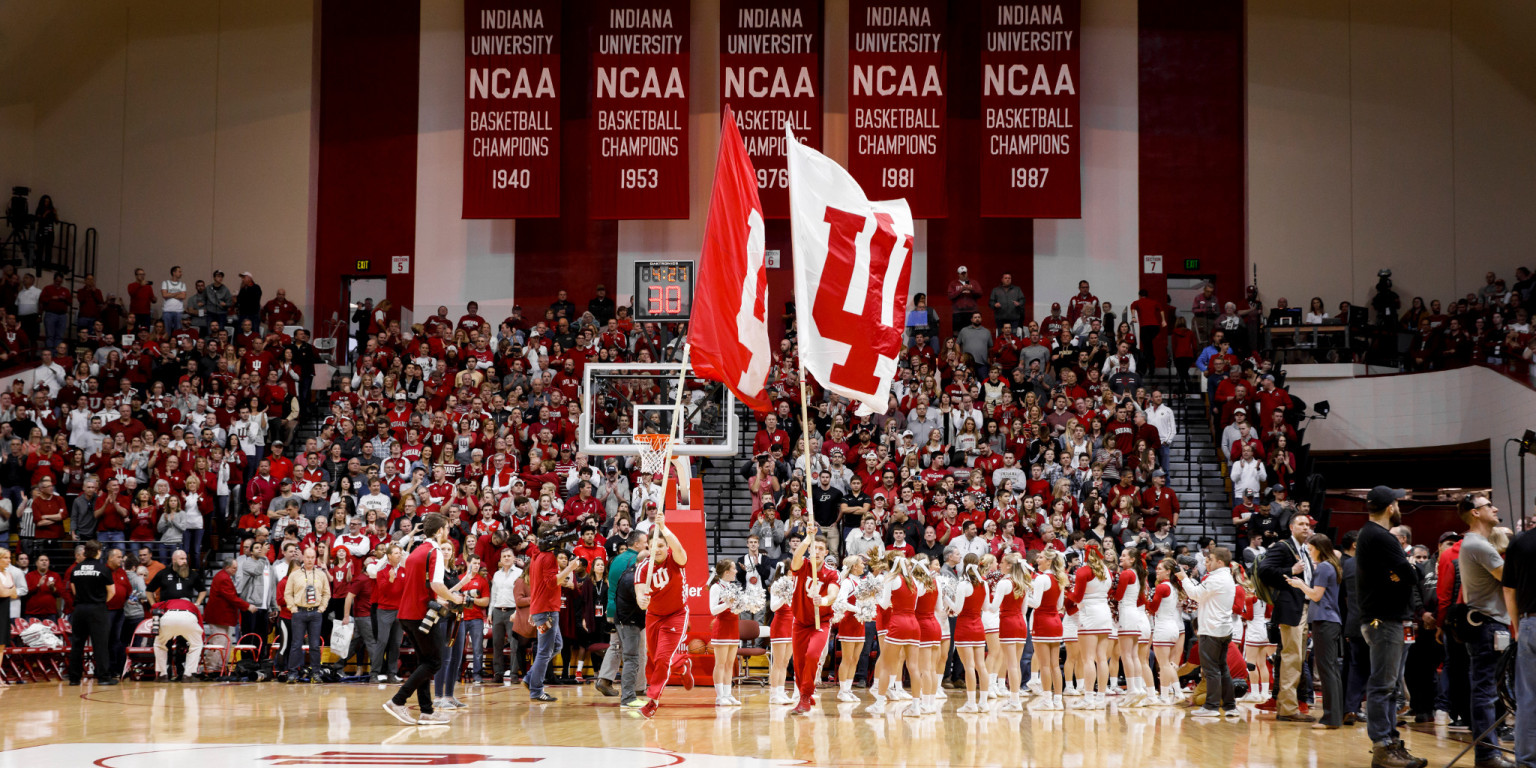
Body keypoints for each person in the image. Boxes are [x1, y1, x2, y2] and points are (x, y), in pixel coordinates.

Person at [1356, 486, 1428, 768]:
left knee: (1391, 686)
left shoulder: (1372, 535)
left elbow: (1406, 574)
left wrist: (1404, 571)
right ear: (1390, 507)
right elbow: (1412, 575)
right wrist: (1406, 569)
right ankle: (1383, 747)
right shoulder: (1379, 535)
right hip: (1382, 619)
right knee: (1383, 685)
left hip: (1387, 619)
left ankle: (1392, 744)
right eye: (1397, 502)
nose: (1399, 507)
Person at [383, 513, 462, 726]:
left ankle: (426, 711)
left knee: (424, 662)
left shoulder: (418, 550)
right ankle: (398, 701)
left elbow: (423, 586)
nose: (447, 532)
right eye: (446, 529)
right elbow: (436, 585)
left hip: (406, 613)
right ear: (439, 531)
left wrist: (441, 599)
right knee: (435, 662)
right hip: (420, 614)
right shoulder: (434, 552)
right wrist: (454, 598)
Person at [1453, 494, 1514, 768]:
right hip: (1488, 627)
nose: (1495, 507)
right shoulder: (1478, 545)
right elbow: (1510, 578)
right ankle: (1488, 755)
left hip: (1488, 625)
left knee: (1488, 691)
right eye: (1489, 505)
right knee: (1486, 693)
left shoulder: (1477, 544)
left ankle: (1489, 753)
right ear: (1475, 513)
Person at [1259, 512, 1315, 722]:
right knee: (1292, 658)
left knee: (1297, 659)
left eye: (1307, 524)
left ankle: (1287, 706)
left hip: (1303, 608)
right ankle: (1288, 709)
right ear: (1291, 527)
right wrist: (1290, 570)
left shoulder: (1304, 550)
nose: (1305, 527)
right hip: (1291, 608)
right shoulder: (1283, 547)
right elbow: (1264, 570)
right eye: (1301, 523)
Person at [637, 510, 691, 718]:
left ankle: (653, 701)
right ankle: (683, 665)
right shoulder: (643, 567)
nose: (657, 549)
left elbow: (680, 549)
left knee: (661, 658)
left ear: (666, 546)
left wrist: (665, 528)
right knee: (656, 658)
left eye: (661, 545)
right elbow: (640, 594)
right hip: (654, 616)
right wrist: (641, 600)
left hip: (676, 614)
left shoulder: (675, 558)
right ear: (647, 547)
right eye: (653, 545)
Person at [1287, 533, 1344, 730]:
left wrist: (1299, 584)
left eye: (1311, 549)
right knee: (1331, 670)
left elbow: (1316, 596)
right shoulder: (1331, 566)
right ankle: (1334, 716)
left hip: (1325, 620)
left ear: (1319, 548)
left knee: (1327, 670)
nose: (1309, 552)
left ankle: (1331, 718)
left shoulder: (1324, 568)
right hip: (1329, 620)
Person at [1175, 546, 1237, 717]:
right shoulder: (1226, 576)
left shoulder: (1217, 578)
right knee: (1222, 669)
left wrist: (1183, 577)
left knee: (1211, 671)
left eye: (1209, 561)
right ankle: (1230, 706)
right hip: (1223, 629)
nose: (1206, 563)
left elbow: (1195, 594)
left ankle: (1211, 707)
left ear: (1219, 561)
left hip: (1212, 630)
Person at [526, 530, 580, 703]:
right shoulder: (548, 557)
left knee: (557, 644)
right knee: (545, 651)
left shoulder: (536, 552)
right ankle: (536, 690)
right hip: (547, 610)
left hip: (543, 608)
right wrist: (570, 568)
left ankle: (530, 677)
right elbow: (551, 583)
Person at [1502, 504, 1536, 768]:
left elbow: (1509, 592)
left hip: (1529, 624)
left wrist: (1517, 627)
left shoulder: (1519, 543)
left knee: (1528, 699)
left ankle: (1525, 762)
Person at [67, 540, 117, 685]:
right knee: (100, 644)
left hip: (80, 609)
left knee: (77, 643)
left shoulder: (76, 569)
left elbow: (74, 590)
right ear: (98, 552)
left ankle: (74, 678)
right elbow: (112, 591)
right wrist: (100, 601)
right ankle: (103, 677)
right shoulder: (103, 569)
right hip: (97, 609)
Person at [612, 536, 649, 708]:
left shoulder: (630, 573)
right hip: (629, 622)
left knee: (631, 658)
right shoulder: (633, 579)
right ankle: (627, 698)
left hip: (628, 621)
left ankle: (630, 696)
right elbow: (643, 602)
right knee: (631, 659)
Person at [284, 546, 329, 683]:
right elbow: (287, 593)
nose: (310, 560)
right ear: (303, 557)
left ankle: (315, 673)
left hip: (315, 613)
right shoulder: (295, 574)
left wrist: (322, 608)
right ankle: (292, 673)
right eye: (307, 557)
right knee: (296, 644)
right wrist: (292, 608)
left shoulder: (321, 574)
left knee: (314, 645)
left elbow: (327, 593)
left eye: (312, 557)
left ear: (315, 558)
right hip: (299, 612)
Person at [707, 558, 743, 707]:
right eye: (734, 569)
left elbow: (735, 607)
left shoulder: (733, 586)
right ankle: (719, 696)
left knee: (730, 663)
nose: (736, 571)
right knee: (720, 664)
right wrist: (727, 604)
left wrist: (741, 605)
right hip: (721, 627)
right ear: (727, 572)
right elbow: (713, 610)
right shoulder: (716, 587)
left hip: (733, 626)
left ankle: (728, 694)